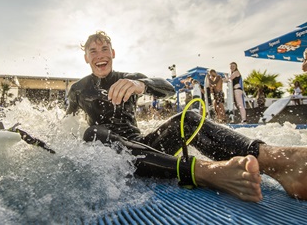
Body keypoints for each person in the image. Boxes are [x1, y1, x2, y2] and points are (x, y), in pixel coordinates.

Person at [66, 31, 307, 202]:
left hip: (147, 151)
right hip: (111, 157)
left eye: (104, 49)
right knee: (94, 133)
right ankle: (206, 171)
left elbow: (167, 87)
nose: (100, 55)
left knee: (189, 118)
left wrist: (141, 85)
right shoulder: (77, 89)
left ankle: (273, 160)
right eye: (93, 51)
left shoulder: (129, 77)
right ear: (86, 57)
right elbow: (66, 126)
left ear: (113, 52)